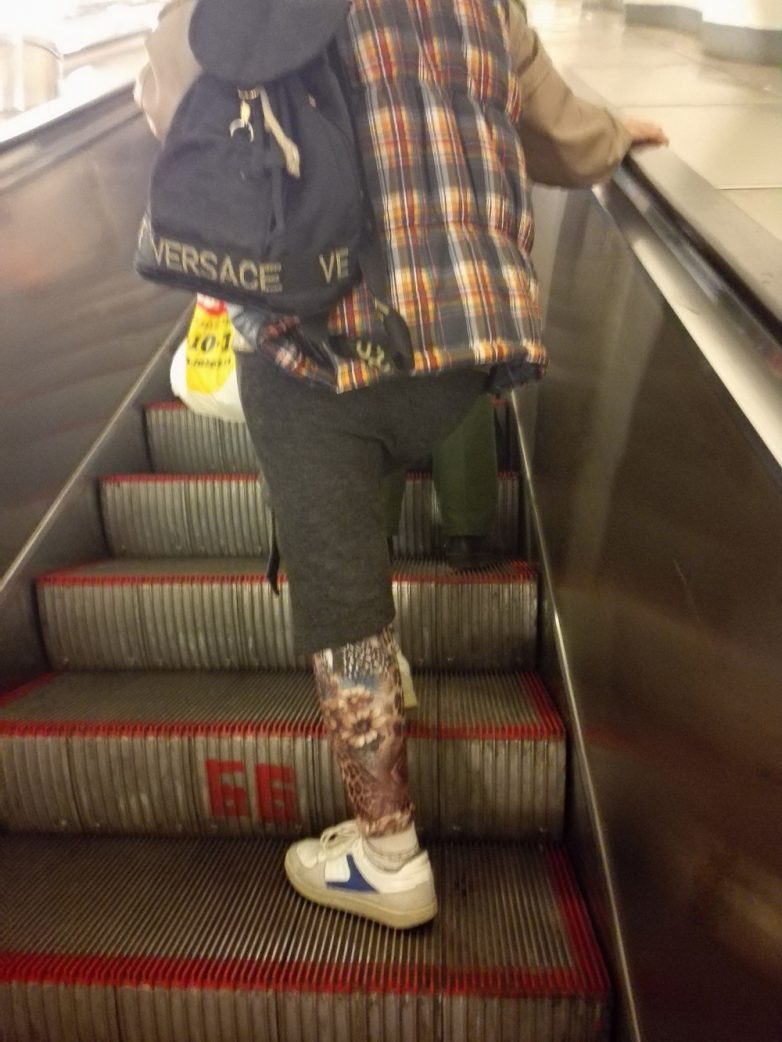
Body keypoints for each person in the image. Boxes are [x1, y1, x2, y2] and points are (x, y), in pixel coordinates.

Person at [136, 0, 666, 931]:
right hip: (467, 344)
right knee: (368, 457)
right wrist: (618, 133)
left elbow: (169, 94)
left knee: (340, 590)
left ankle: (387, 854)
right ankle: (389, 673)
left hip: (315, 338)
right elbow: (557, 132)